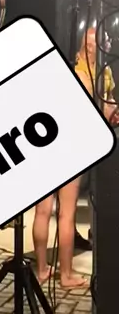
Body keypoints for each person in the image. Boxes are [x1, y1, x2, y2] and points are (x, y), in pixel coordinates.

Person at [32, 26, 118, 288]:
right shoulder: (99, 75)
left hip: (46, 144)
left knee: (42, 210)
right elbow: (105, 113)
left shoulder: (68, 69)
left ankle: (41, 269)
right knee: (66, 214)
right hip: (70, 149)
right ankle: (66, 275)